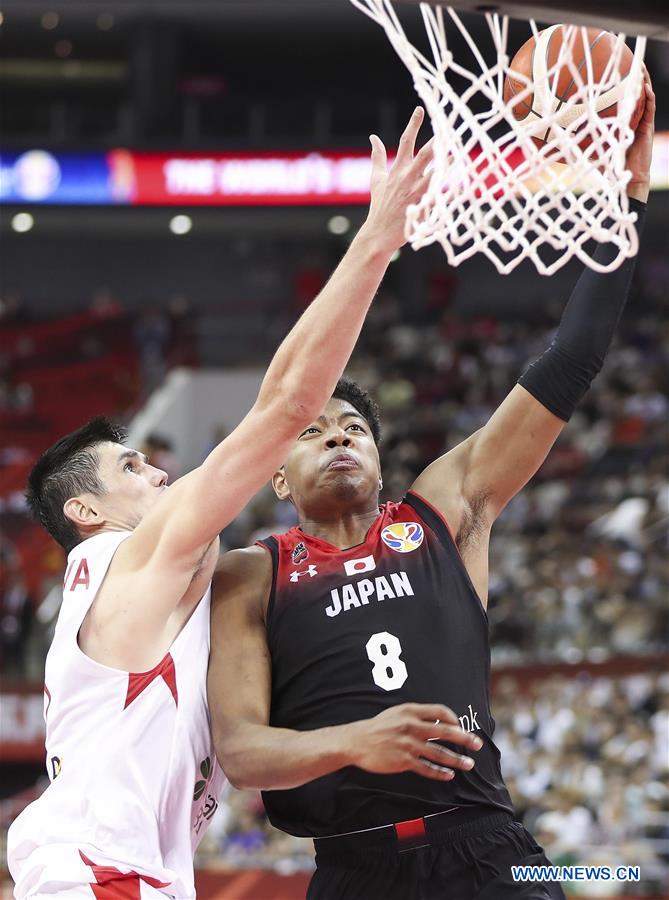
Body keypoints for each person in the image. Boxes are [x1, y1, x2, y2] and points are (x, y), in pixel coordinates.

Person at [207, 81, 655, 900]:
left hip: (487, 850)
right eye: (312, 429)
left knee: (609, 879)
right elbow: (240, 753)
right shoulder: (250, 571)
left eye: (354, 429)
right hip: (350, 869)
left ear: (381, 461)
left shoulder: (443, 511)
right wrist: (354, 742)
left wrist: (619, 199)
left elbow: (572, 357)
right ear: (274, 474)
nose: (338, 435)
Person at [7, 107, 438, 900]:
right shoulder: (126, 556)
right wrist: (376, 242)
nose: (160, 475)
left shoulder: (161, 591)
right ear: (87, 512)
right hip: (103, 878)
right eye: (132, 467)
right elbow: (283, 408)